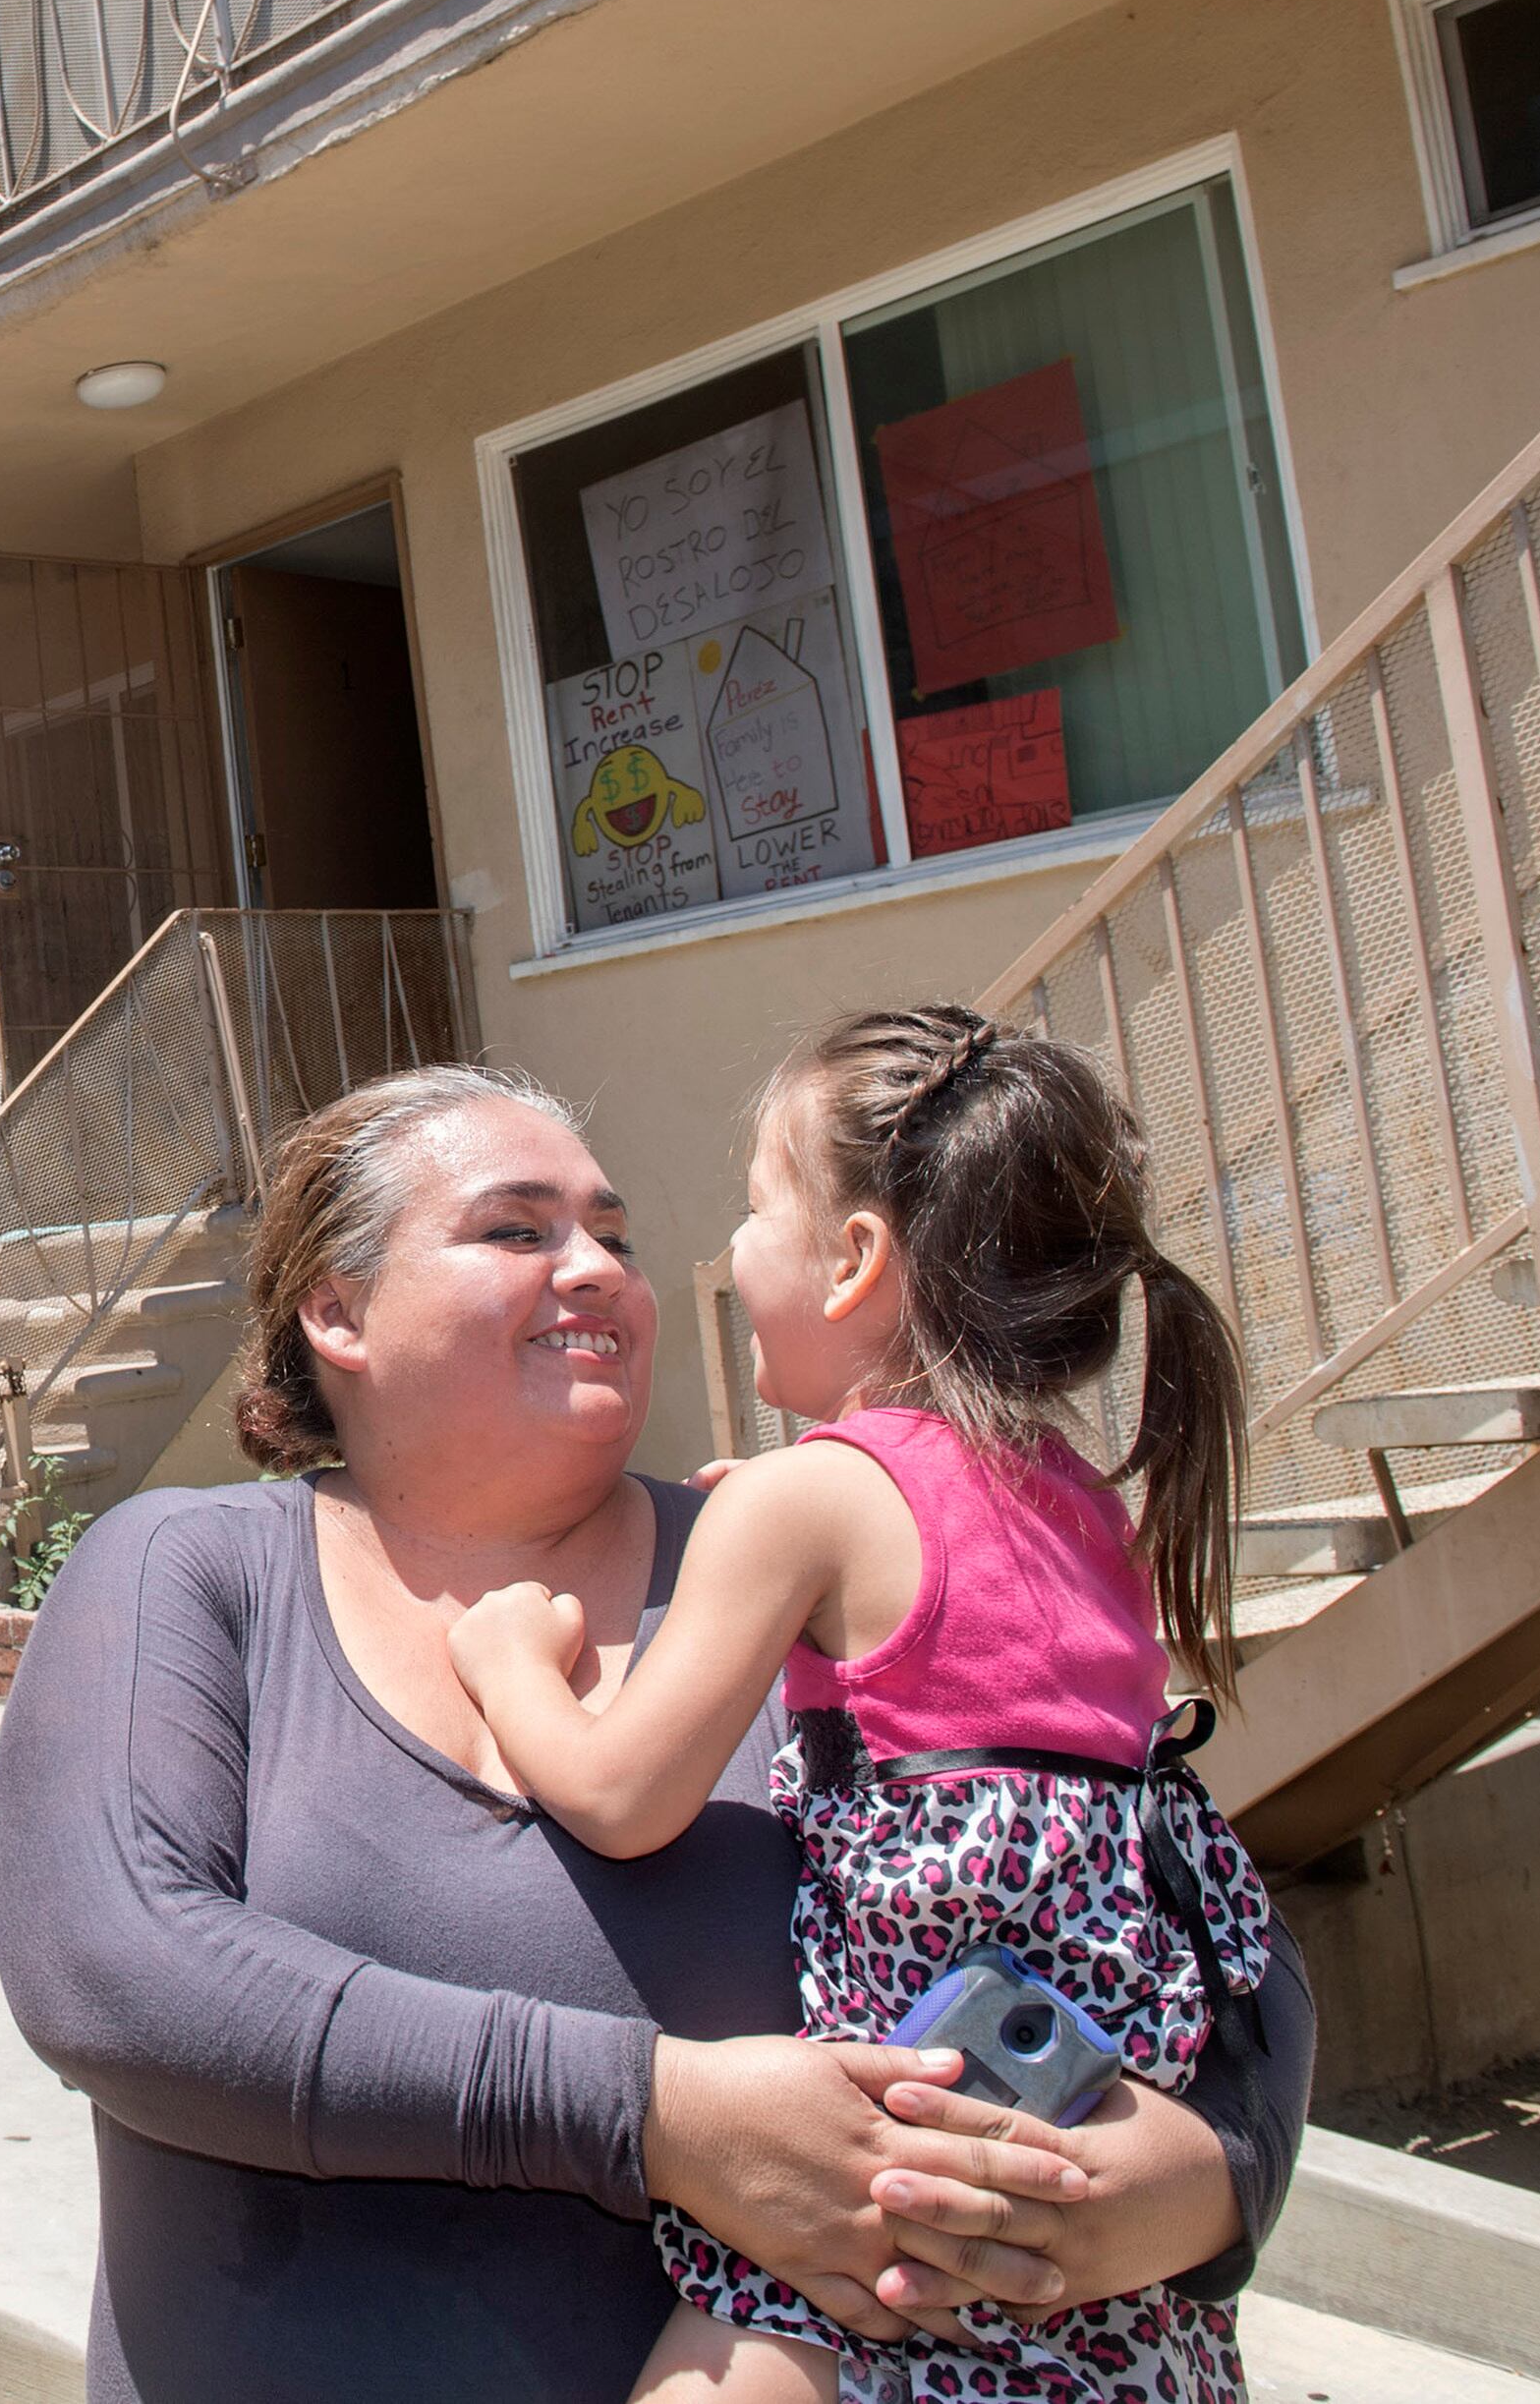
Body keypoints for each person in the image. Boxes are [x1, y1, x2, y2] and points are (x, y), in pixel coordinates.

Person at [0, 1065, 1314, 2403]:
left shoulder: (807, 1570)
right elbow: (116, 1974)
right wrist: (657, 2117)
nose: (598, 1271)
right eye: (518, 1229)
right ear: (337, 1308)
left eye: (612, 1236)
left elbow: (1177, 1919)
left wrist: (1194, 2189)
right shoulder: (190, 1571)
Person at [450, 1007, 1272, 2404]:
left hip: (890, 2184)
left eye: (757, 1206)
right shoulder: (1081, 1507)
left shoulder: (809, 1496)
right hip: (1090, 2149)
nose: (732, 1247)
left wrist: (509, 1663)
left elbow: (619, 1798)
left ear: (852, 1264)